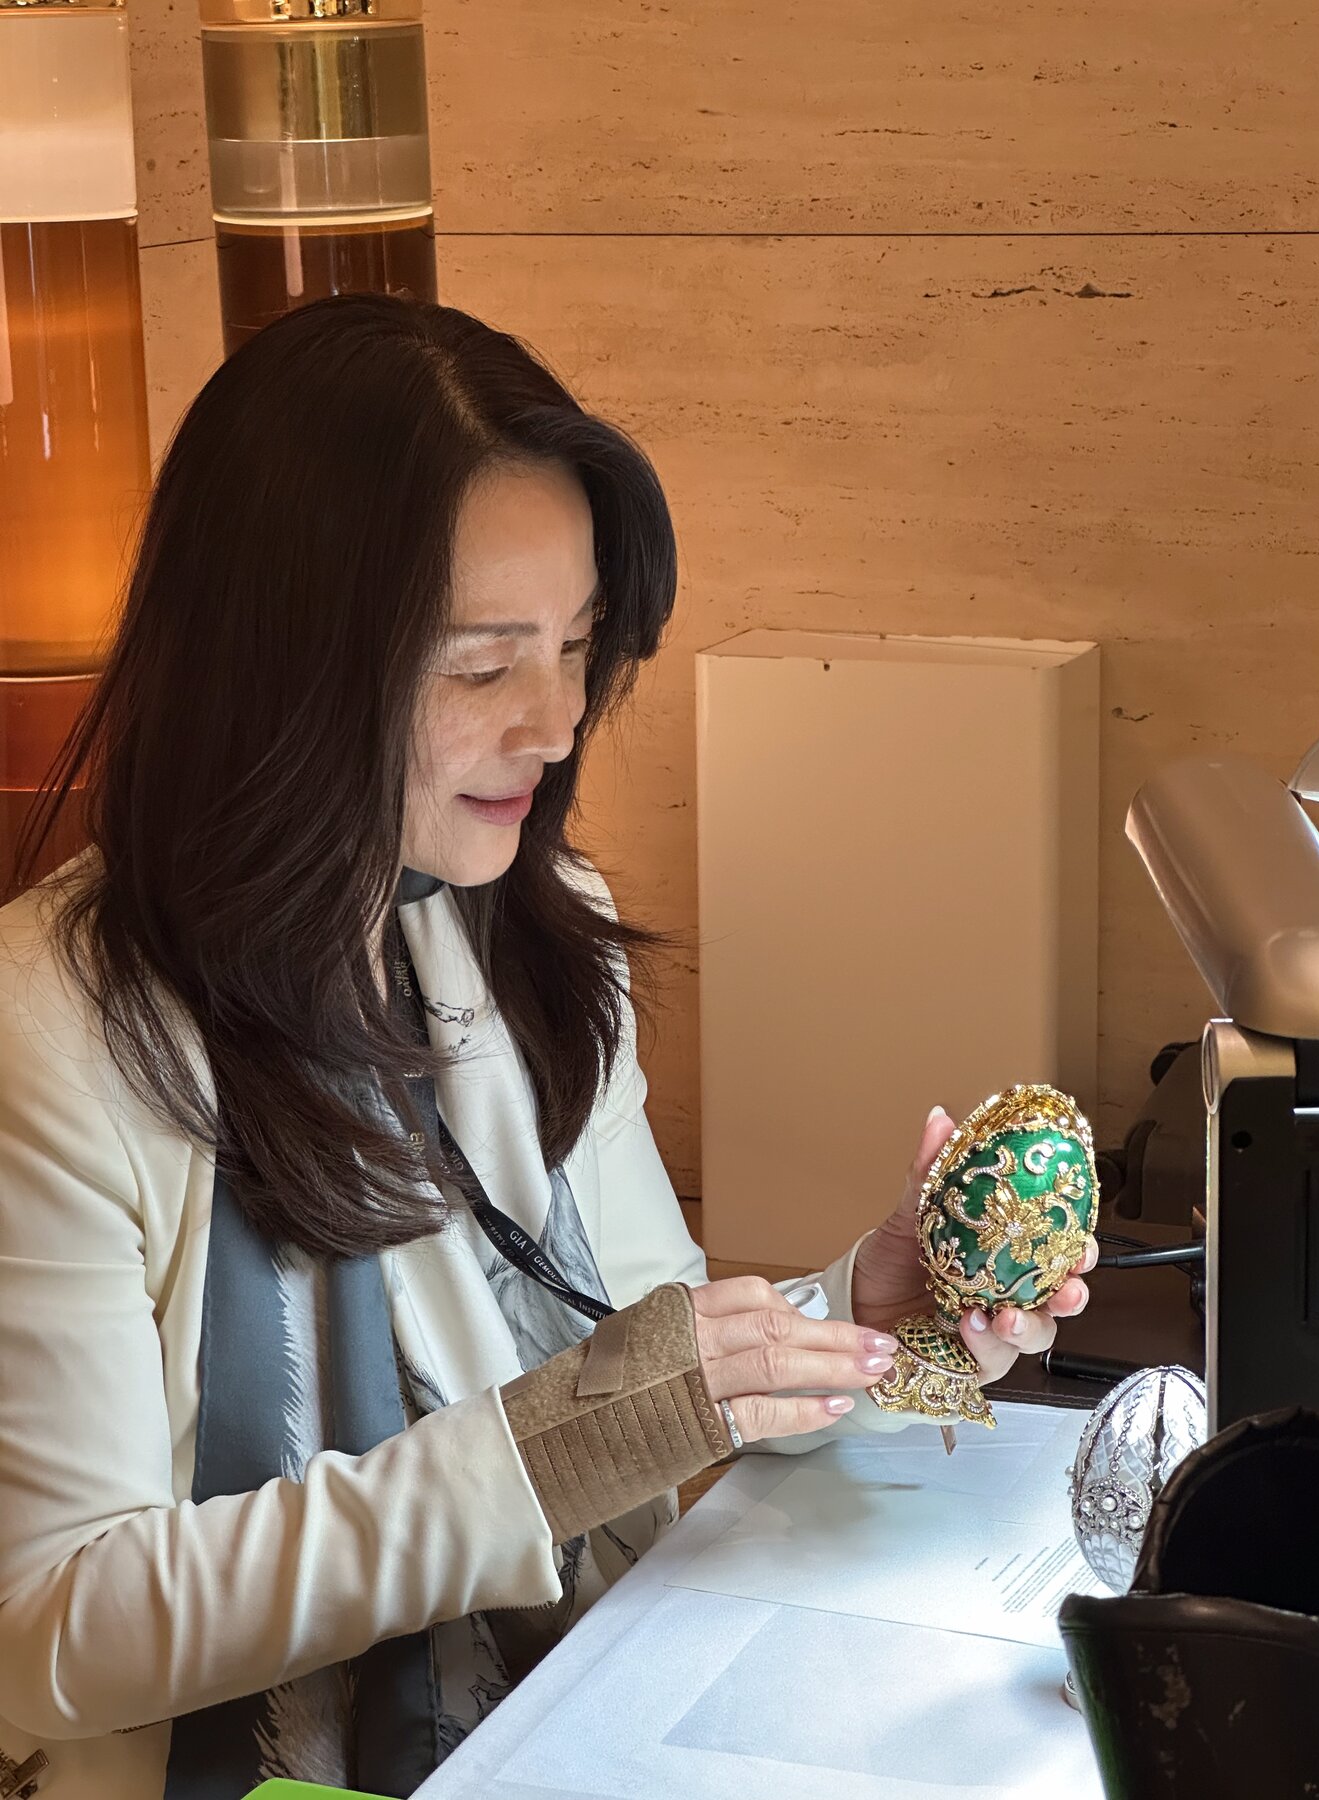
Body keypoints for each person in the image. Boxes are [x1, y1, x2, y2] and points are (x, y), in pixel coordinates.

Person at [0, 295, 1095, 1800]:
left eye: (580, 648)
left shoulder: (531, 925)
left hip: (582, 1719)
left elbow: (632, 1367)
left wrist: (860, 1314)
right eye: (480, 666)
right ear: (279, 667)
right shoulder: (49, 1032)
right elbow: (52, 1628)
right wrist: (545, 1458)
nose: (562, 719)